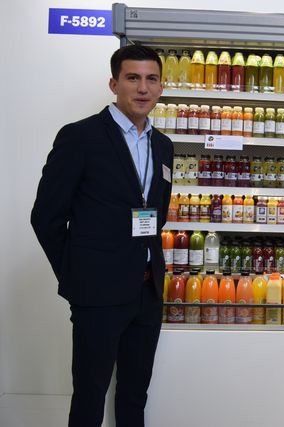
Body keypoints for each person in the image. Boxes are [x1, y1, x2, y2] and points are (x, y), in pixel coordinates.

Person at [31, 44, 173, 426]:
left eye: (152, 79)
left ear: (161, 87)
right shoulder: (81, 137)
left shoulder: (163, 146)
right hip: (97, 293)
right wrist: (78, 275)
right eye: (133, 78)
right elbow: (45, 217)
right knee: (90, 395)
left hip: (147, 290)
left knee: (134, 395)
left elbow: (156, 213)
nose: (143, 88)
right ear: (114, 84)